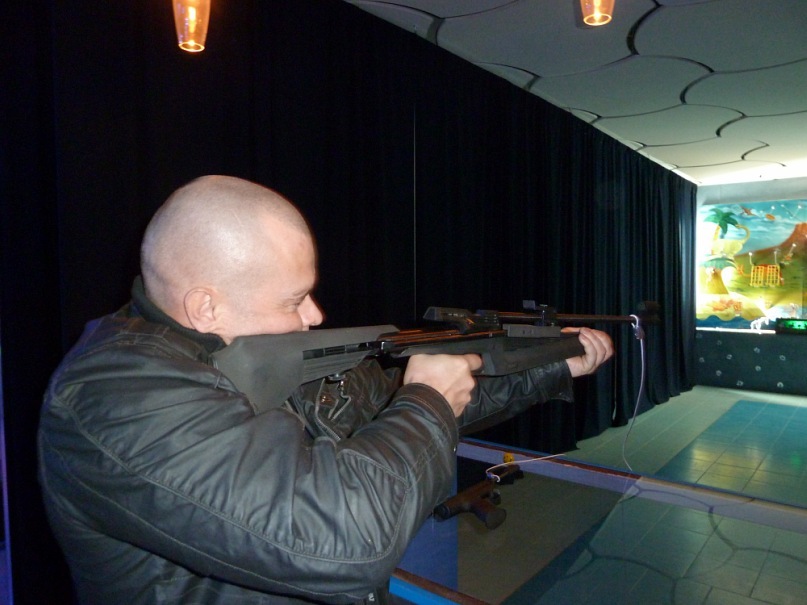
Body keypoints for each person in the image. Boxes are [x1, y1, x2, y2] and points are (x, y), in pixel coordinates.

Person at [38, 175, 613, 605]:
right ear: (206, 306)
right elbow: (346, 539)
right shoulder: (113, 396)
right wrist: (429, 401)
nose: (314, 315)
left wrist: (552, 366)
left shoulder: (243, 356)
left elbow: (386, 401)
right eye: (294, 300)